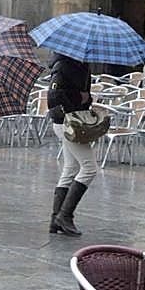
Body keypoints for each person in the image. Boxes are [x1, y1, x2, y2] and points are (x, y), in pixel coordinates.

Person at [47, 52, 96, 237]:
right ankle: (65, 216)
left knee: (71, 167)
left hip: (74, 120)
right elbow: (53, 97)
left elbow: (84, 96)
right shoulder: (63, 65)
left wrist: (86, 98)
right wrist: (79, 97)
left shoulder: (81, 65)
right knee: (89, 168)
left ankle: (55, 218)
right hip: (66, 122)